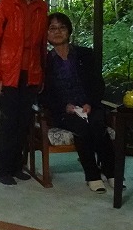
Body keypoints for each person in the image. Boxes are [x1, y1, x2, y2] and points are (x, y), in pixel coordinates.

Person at [0, 0, 50, 185]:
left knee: (24, 122)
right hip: (7, 74)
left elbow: (42, 44)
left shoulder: (42, 7)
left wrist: (41, 74)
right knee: (9, 122)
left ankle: (17, 165)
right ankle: (4, 169)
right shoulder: (4, 5)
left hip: (31, 74)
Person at [41, 12, 117, 192]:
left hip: (89, 106)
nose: (57, 32)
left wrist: (90, 103)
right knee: (82, 129)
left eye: (62, 27)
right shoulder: (43, 62)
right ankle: (92, 175)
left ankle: (111, 173)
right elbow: (43, 94)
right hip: (63, 111)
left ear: (69, 31)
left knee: (98, 124)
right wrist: (64, 107)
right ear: (46, 34)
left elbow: (98, 84)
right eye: (52, 28)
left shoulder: (85, 54)